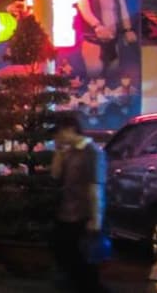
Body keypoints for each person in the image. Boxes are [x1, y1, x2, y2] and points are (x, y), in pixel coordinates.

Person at [51, 113, 107, 293]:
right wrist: (59, 152)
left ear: (69, 130)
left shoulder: (92, 152)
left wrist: (96, 218)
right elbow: (55, 175)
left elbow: (95, 187)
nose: (57, 138)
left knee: (84, 265)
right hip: (66, 214)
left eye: (59, 133)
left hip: (82, 215)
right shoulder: (70, 152)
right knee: (67, 258)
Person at [76, 0, 137, 80]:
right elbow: (87, 14)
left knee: (113, 70)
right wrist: (98, 27)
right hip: (92, 41)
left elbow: (125, 15)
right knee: (95, 70)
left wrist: (128, 30)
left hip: (113, 41)